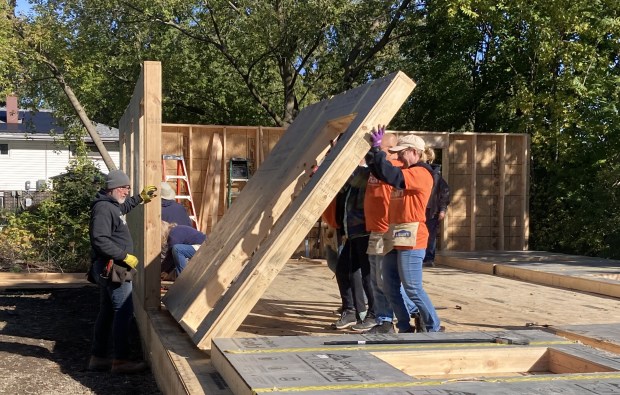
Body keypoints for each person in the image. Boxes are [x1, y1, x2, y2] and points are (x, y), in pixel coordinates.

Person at [365, 128, 442, 333]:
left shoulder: (421, 173)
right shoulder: (408, 171)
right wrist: (372, 151)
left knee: (412, 287)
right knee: (389, 286)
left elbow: (392, 175)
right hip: (396, 234)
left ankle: (433, 327)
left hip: (413, 236)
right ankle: (404, 327)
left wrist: (379, 149)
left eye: (402, 152)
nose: (398, 155)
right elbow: (380, 171)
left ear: (415, 152)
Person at [87, 169, 157, 373]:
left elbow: (123, 208)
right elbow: (99, 239)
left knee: (108, 311)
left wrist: (139, 199)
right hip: (114, 267)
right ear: (112, 188)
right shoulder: (103, 209)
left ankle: (98, 357)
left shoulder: (112, 206)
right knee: (124, 311)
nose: (127, 191)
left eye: (128, 188)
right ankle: (121, 361)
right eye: (124, 188)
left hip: (114, 265)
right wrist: (123, 256)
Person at [354, 132, 419, 333]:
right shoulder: (377, 167)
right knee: (376, 280)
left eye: (380, 148)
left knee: (384, 280)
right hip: (376, 229)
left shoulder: (394, 167)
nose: (375, 151)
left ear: (390, 149)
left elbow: (385, 170)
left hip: (386, 229)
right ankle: (385, 320)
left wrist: (378, 152)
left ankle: (410, 313)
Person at [331, 163, 375, 330]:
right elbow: (342, 195)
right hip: (352, 232)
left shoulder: (364, 173)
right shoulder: (352, 179)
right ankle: (351, 310)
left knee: (367, 275)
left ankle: (373, 313)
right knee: (344, 270)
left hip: (364, 231)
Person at [423, 151, 450, 267]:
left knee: (430, 234)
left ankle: (428, 259)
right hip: (420, 208)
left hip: (431, 209)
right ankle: (422, 258)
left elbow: (445, 192)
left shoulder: (436, 175)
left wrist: (442, 209)